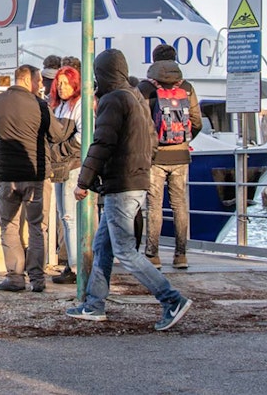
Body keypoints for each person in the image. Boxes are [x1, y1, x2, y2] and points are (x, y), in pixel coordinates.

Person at [66, 49, 192, 332]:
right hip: (135, 180)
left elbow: (102, 144)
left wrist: (84, 181)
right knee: (103, 247)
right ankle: (94, 304)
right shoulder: (135, 96)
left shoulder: (113, 100)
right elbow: (152, 139)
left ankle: (172, 299)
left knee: (124, 251)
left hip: (121, 184)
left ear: (102, 73)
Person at [0, 64, 72, 293]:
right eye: (39, 80)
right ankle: (37, 279)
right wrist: (71, 122)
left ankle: (14, 277)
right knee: (36, 227)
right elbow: (57, 135)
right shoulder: (40, 105)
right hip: (36, 175)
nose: (41, 85)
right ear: (28, 80)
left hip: (6, 175)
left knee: (9, 226)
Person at [138, 44, 203, 269]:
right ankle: (181, 255)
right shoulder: (186, 87)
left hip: (155, 156)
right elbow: (197, 121)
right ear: (175, 60)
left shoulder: (145, 87)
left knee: (154, 205)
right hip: (181, 154)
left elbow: (141, 122)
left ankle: (152, 255)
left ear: (154, 61)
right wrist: (183, 139)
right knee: (179, 205)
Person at [47, 65, 83, 285]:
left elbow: (83, 134)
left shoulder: (78, 106)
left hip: (72, 165)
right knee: (64, 216)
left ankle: (76, 266)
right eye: (59, 83)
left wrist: (60, 150)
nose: (61, 87)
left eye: (65, 83)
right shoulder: (59, 107)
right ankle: (73, 263)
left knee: (69, 218)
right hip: (61, 166)